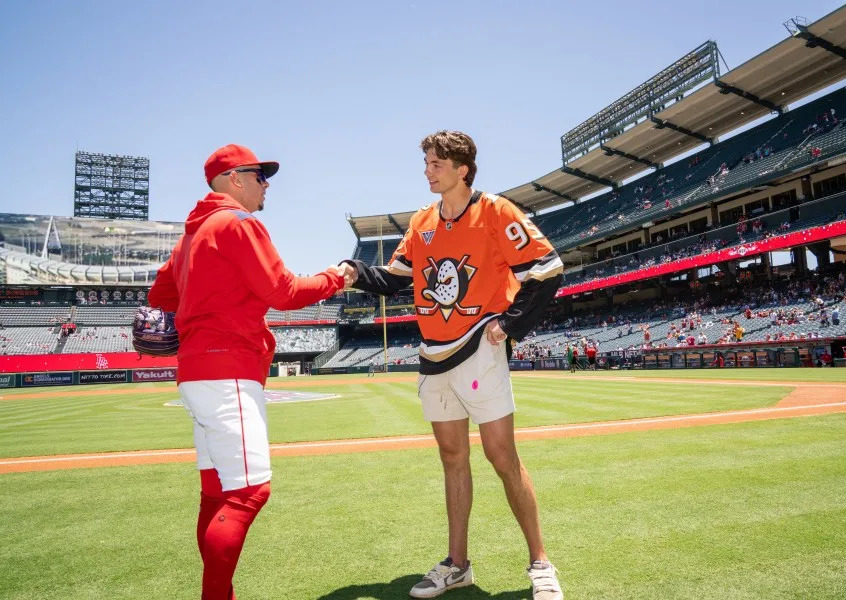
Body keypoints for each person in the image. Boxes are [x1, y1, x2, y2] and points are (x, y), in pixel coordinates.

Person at [339, 131, 564, 599]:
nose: (427, 171)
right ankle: (457, 564)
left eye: (436, 163)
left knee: (502, 457)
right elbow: (395, 278)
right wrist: (354, 272)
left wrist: (511, 323)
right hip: (433, 354)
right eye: (426, 162)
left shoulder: (496, 211)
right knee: (452, 458)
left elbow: (546, 269)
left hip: (479, 347)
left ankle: (540, 561)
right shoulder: (422, 221)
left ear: (462, 169)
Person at [148, 144, 350, 600]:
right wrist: (337, 277)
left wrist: (211, 299)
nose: (266, 185)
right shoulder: (239, 223)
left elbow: (160, 296)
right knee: (248, 494)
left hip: (196, 372)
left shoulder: (190, 237)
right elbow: (284, 291)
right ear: (235, 179)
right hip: (229, 370)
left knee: (216, 495)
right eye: (260, 176)